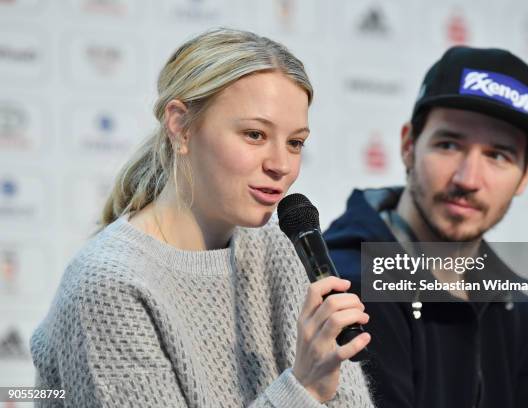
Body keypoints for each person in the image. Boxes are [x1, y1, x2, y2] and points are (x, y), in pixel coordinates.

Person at [30, 29, 374, 407]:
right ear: (180, 125)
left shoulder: (285, 251)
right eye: (255, 134)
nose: (281, 166)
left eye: (295, 143)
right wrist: (303, 388)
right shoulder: (109, 285)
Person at [324, 46, 528, 408]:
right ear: (409, 145)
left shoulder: (516, 308)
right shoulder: (346, 285)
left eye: (498, 155)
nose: (468, 179)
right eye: (449, 144)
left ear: (527, 173)